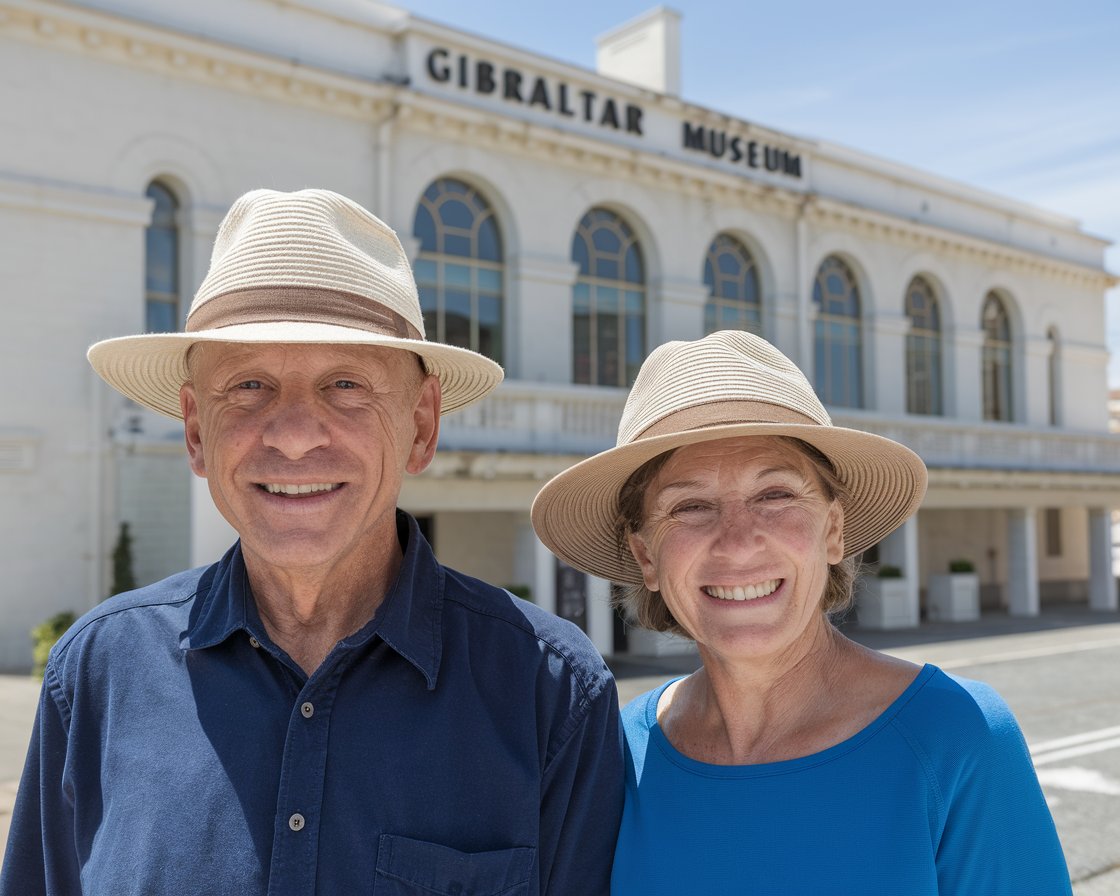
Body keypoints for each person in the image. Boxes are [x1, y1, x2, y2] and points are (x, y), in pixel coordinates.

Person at [1, 188, 623, 895]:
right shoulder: (99, 674)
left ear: (420, 426)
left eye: (346, 383)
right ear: (197, 430)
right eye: (250, 385)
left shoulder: (552, 692)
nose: (294, 435)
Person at [531, 329, 1073, 895]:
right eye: (690, 506)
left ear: (833, 531)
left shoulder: (956, 734)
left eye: (776, 495)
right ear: (646, 556)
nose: (738, 543)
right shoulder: (617, 754)